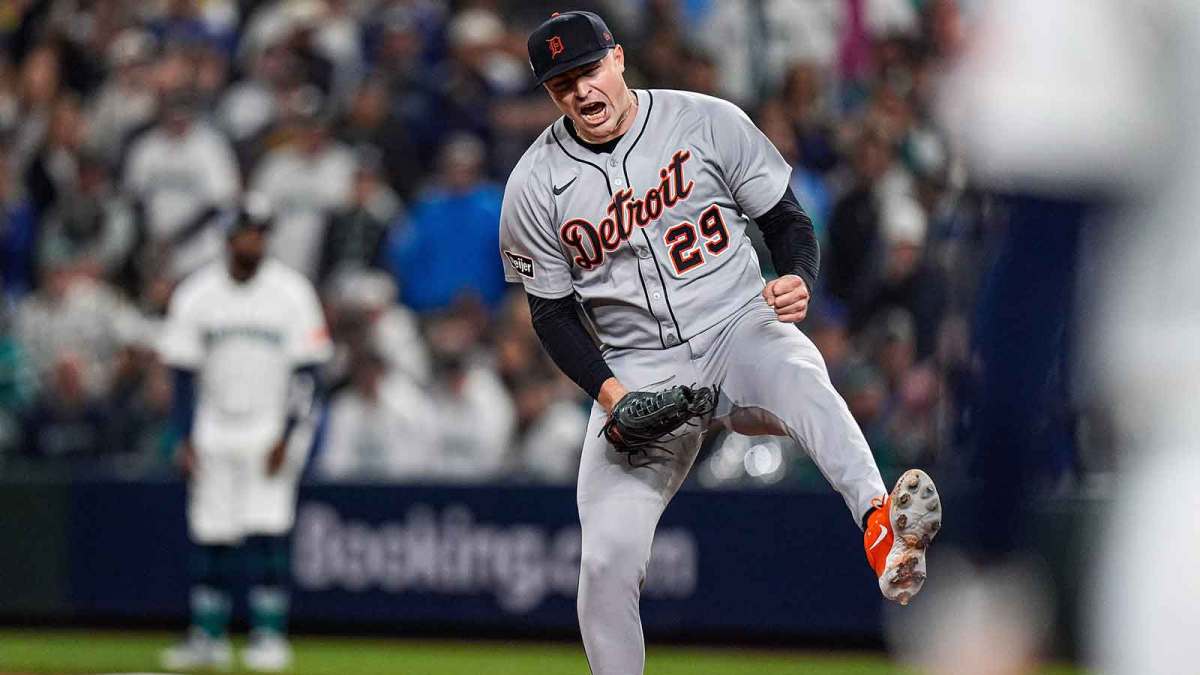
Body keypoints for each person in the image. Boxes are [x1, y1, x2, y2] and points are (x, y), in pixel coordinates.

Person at [498, 12, 942, 674]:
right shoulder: (533, 184)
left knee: (797, 373)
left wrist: (796, 276)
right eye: (561, 84)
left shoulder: (705, 120)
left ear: (618, 59)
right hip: (637, 368)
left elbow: (788, 220)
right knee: (604, 560)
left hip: (735, 324)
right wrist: (615, 396)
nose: (581, 91)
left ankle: (882, 528)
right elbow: (553, 314)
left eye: (588, 71)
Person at [157, 193, 332, 672]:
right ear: (228, 238)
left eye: (258, 233)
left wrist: (291, 434)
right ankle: (207, 638)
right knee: (211, 532)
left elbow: (309, 373)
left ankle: (268, 636)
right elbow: (181, 373)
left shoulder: (292, 293)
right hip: (213, 426)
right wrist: (183, 436)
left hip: (270, 430)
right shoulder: (197, 293)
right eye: (244, 233)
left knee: (266, 530)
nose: (251, 241)